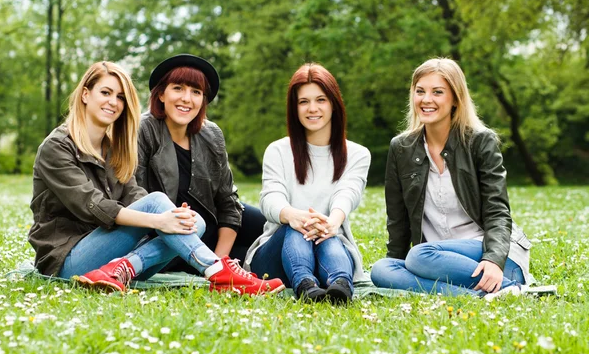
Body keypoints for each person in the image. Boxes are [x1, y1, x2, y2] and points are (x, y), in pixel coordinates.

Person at [28, 61, 284, 295]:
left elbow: (136, 196)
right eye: (105, 93)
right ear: (85, 94)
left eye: (120, 97)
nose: (113, 102)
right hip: (69, 258)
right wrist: (159, 219)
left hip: (111, 255)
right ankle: (218, 271)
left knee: (193, 222)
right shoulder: (57, 146)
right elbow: (94, 206)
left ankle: (122, 268)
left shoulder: (114, 147)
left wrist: (172, 218)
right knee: (167, 212)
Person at [370, 58, 554, 300]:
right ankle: (493, 296)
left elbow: (497, 212)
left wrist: (493, 260)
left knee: (418, 256)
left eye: (437, 92)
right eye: (420, 91)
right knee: (381, 269)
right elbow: (398, 219)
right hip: (435, 259)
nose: (426, 100)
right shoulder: (401, 147)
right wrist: (396, 266)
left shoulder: (480, 141)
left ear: (455, 98)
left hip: (491, 254)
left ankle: (505, 283)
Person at [244, 63, 371, 303]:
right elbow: (270, 198)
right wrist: (293, 216)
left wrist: (332, 222)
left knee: (327, 235)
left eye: (320, 100)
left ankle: (340, 284)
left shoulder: (358, 154)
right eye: (303, 102)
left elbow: (348, 192)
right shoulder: (278, 150)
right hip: (275, 257)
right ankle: (306, 284)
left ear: (334, 103)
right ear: (295, 108)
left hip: (330, 245)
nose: (312, 108)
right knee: (298, 227)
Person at [136, 54, 267, 271]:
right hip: (172, 236)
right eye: (178, 88)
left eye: (196, 92)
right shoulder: (144, 130)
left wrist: (220, 260)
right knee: (258, 261)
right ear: (160, 94)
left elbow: (228, 202)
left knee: (273, 228)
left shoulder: (211, 134)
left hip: (216, 228)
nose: (187, 98)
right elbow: (136, 197)